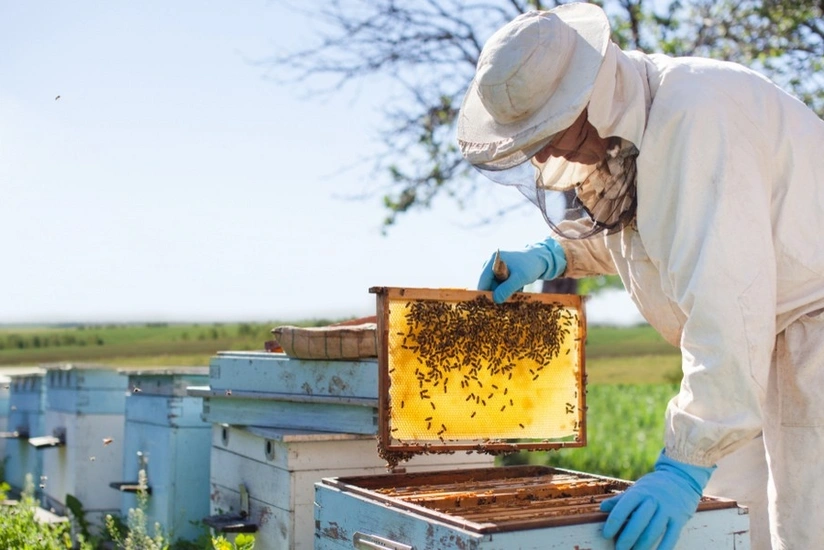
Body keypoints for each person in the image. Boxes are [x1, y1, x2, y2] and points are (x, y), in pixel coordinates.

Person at [458, 3, 824, 549]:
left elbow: (728, 300)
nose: (547, 154)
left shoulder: (696, 118)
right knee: (737, 527)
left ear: (587, 97)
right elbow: (655, 231)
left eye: (550, 131)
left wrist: (684, 466)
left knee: (807, 528)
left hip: (807, 333)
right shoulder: (640, 122)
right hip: (758, 344)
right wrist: (556, 254)